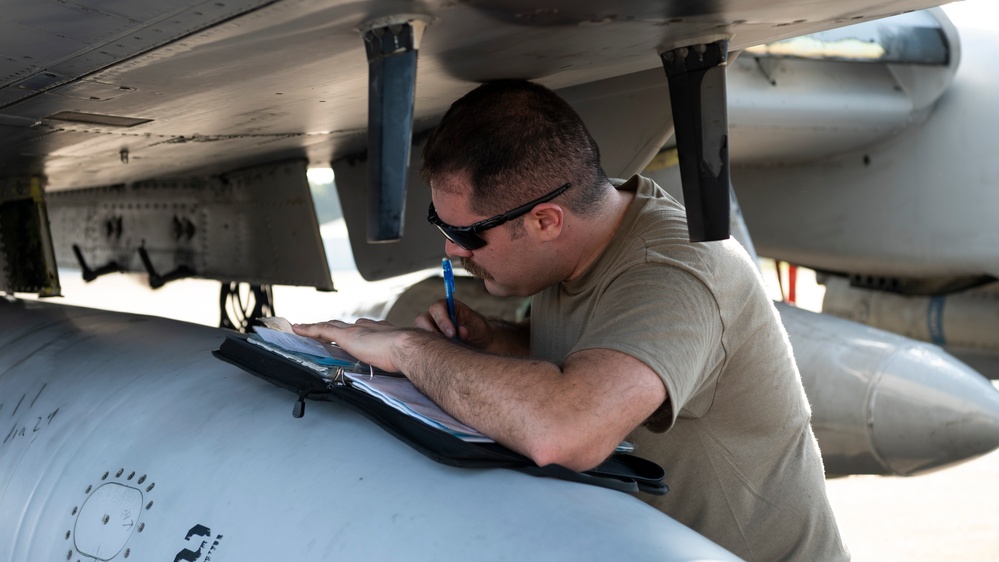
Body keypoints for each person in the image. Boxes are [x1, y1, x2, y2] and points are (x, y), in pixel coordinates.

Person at [294, 79, 848, 560]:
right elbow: (591, 355)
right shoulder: (576, 253)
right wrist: (498, 342)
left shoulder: (675, 272)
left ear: (544, 221)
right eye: (441, 222)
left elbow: (566, 430)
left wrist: (405, 351)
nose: (450, 252)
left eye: (466, 234)